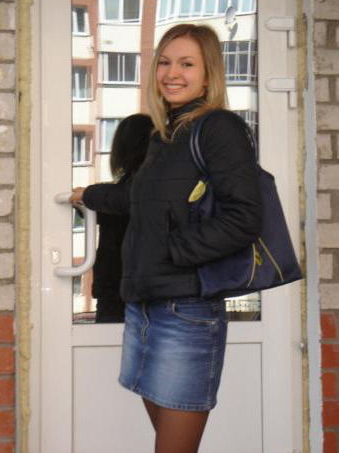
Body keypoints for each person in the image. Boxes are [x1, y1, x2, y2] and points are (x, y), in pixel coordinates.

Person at [70, 24, 262, 453]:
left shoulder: (218, 128)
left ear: (208, 75)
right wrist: (86, 195)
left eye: (187, 64)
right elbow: (135, 198)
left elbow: (244, 218)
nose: (172, 73)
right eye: (164, 62)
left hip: (186, 309)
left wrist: (175, 251)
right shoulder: (164, 135)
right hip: (144, 306)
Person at [77, 114, 153, 323]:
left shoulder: (139, 186)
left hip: (123, 286)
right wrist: (85, 201)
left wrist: (87, 196)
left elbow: (124, 202)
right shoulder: (138, 182)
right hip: (133, 285)